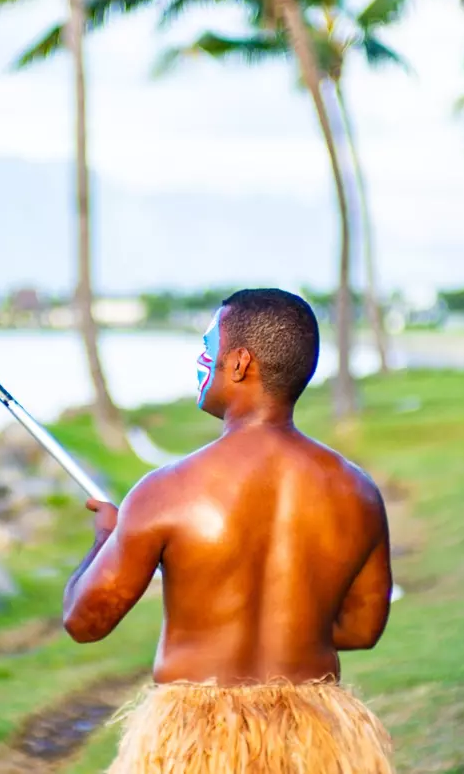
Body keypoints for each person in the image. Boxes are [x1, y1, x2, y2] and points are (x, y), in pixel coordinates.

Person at [61, 288, 397, 774]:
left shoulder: (166, 491)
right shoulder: (357, 492)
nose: (201, 358)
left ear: (239, 363)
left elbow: (85, 622)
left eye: (208, 346)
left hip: (192, 746)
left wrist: (104, 540)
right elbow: (363, 630)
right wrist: (287, 627)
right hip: (314, 743)